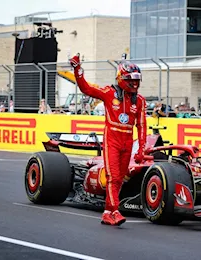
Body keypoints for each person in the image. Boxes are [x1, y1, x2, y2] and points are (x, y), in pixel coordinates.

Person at [70, 54, 147, 226]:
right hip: (112, 139)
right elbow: (86, 89)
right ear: (121, 79)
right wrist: (77, 70)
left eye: (137, 80)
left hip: (128, 142)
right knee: (112, 177)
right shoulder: (108, 93)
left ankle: (107, 212)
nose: (135, 84)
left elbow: (142, 126)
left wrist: (141, 149)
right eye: (130, 80)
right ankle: (115, 210)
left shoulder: (140, 101)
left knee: (120, 178)